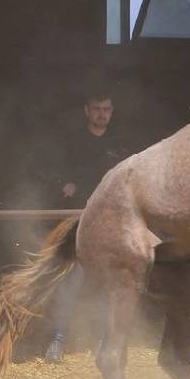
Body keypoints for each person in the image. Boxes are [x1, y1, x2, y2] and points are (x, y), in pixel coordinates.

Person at [42, 90, 129, 362]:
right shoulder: (71, 142)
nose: (102, 114)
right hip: (76, 223)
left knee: (107, 282)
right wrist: (62, 184)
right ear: (87, 111)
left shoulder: (120, 145)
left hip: (108, 224)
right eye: (97, 109)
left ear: (112, 112)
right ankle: (57, 341)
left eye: (107, 109)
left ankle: (103, 342)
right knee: (70, 281)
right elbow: (49, 172)